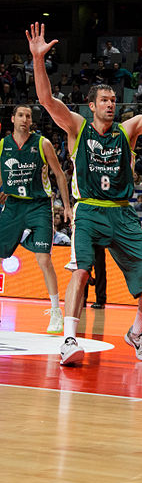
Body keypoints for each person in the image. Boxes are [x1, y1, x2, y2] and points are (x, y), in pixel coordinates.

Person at [27, 23, 142, 365]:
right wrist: (37, 60)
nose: (110, 104)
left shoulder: (127, 130)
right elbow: (46, 100)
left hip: (122, 212)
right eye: (104, 100)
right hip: (88, 210)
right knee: (80, 270)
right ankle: (70, 340)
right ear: (91, 105)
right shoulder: (77, 127)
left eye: (113, 100)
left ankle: (136, 332)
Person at [0, 104, 72, 334]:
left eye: (28, 116)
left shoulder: (42, 143)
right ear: (12, 119)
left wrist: (67, 206)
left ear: (32, 121)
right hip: (12, 206)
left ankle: (55, 311)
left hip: (39, 205)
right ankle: (21, 235)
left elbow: (60, 175)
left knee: (43, 259)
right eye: (20, 115)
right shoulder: (3, 145)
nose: (24, 119)